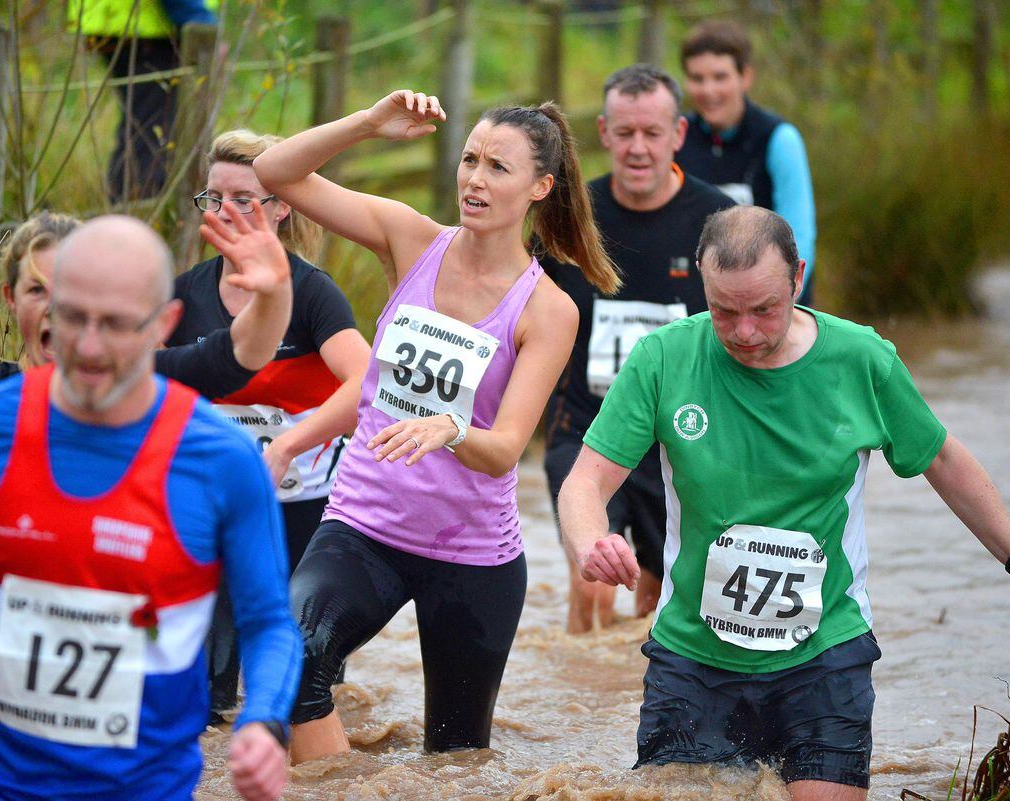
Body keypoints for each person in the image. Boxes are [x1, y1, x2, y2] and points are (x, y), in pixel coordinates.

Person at [559, 205, 1010, 801]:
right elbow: (585, 481)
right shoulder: (663, 359)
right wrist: (590, 542)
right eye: (723, 311)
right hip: (693, 659)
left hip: (824, 656)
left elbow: (940, 459)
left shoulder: (860, 359)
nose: (743, 331)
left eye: (764, 309)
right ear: (703, 289)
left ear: (798, 278)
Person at [0, 215, 303, 801]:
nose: (87, 346)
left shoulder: (221, 461)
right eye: (73, 318)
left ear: (163, 325)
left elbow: (268, 622)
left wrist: (263, 722)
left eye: (113, 325)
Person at [254, 89, 618, 763]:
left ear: (540, 185)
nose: (475, 179)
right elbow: (274, 172)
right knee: (288, 654)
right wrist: (365, 123)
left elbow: (507, 447)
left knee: (455, 762)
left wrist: (448, 427)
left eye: (497, 168)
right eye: (469, 159)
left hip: (473, 557)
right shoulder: (411, 237)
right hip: (365, 525)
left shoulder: (548, 309)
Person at [170, 128, 370, 723]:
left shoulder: (313, 295)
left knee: (293, 689)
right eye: (214, 198)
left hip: (303, 508)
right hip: (212, 510)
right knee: (204, 702)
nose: (225, 212)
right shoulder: (181, 297)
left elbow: (368, 387)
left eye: (244, 198)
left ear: (282, 205)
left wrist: (287, 446)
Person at [542, 64, 733, 634]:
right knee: (593, 585)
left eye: (653, 133)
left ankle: (634, 711)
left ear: (678, 134)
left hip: (682, 438)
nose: (638, 148)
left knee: (661, 598)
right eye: (625, 133)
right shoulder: (569, 218)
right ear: (603, 132)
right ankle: (578, 714)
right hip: (585, 427)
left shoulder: (719, 220)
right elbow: (518, 316)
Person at [0, 201, 289, 422]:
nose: (58, 309)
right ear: (10, 298)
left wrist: (274, 291)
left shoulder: (150, 384)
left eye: (72, 290)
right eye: (37, 289)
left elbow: (241, 353)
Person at [676, 20, 818, 304]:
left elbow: (800, 234)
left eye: (720, 77)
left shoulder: (779, 139)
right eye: (697, 78)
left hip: (769, 300)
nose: (709, 91)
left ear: (746, 77)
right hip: (700, 300)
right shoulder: (677, 138)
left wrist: (778, 303)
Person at [67, 0, 217, 202]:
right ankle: (133, 219)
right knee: (150, 135)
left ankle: (130, 213)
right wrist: (198, 18)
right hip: (149, 29)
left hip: (118, 23)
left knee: (143, 129)